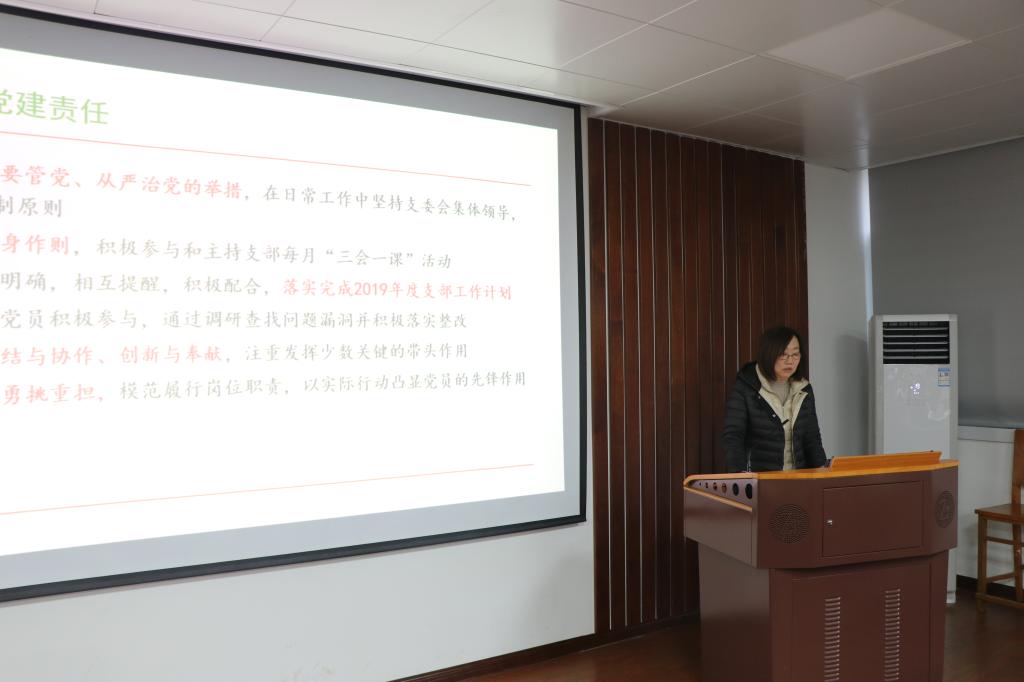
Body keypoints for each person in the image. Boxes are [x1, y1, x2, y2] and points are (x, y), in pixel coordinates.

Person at [723, 325, 827, 472]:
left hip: (798, 477)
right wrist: (740, 478)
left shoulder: (803, 389)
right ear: (768, 354)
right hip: (759, 478)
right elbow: (733, 436)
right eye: (783, 354)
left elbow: (812, 438)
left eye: (795, 354)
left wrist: (822, 471)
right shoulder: (746, 387)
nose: (790, 361)